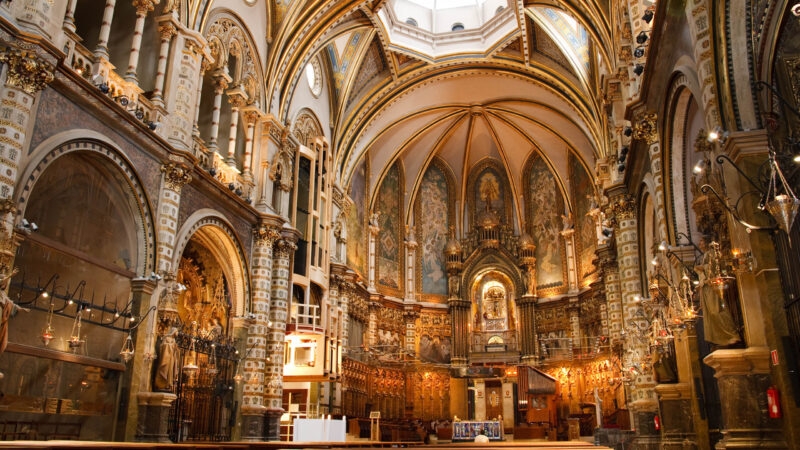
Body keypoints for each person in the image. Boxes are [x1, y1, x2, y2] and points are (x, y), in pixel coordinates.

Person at [696, 237, 742, 348]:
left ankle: (731, 334)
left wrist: (702, 268)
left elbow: (714, 266)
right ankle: (721, 338)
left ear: (707, 243)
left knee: (717, 310)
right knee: (712, 312)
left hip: (713, 285)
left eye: (701, 241)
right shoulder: (705, 255)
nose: (699, 243)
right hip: (707, 286)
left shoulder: (711, 253)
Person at [0, 268, 28, 355]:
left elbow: (11, 304)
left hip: (2, 316)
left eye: (6, 284)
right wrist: (10, 276)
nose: (4, 284)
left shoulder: (3, 294)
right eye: (4, 282)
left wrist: (21, 309)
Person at [154, 325, 180, 391]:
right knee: (165, 369)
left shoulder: (174, 340)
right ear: (174, 332)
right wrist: (171, 346)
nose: (177, 333)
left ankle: (168, 384)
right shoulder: (167, 338)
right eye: (177, 331)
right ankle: (161, 384)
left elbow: (175, 351)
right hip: (166, 357)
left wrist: (176, 349)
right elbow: (162, 346)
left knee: (170, 371)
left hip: (171, 358)